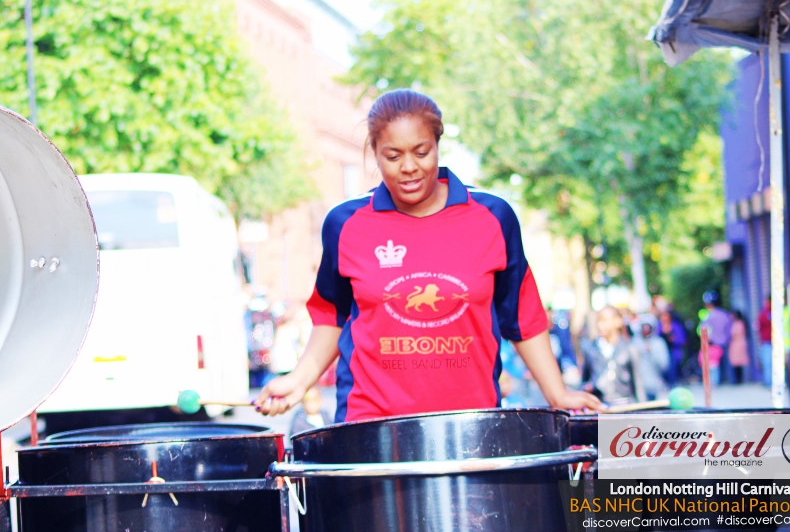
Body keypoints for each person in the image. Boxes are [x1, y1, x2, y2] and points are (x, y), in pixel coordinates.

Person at [256, 90, 602, 420]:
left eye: (421, 152)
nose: (408, 166)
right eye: (392, 156)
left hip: (472, 423)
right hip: (370, 426)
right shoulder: (345, 224)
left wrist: (558, 394)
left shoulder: (493, 217)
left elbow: (521, 317)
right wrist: (298, 382)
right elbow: (333, 317)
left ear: (438, 145)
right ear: (374, 152)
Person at [581, 306, 645, 405]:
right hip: (599, 408)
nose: (600, 325)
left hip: (623, 408)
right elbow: (584, 380)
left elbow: (638, 385)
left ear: (617, 321)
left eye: (604, 320)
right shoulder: (591, 349)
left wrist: (642, 411)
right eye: (598, 321)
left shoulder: (629, 349)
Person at [631, 315, 669, 400]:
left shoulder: (659, 343)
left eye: (648, 327)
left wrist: (651, 352)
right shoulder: (634, 342)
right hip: (638, 387)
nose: (646, 330)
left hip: (654, 386)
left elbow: (664, 365)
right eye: (643, 327)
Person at [701, 290, 732, 385]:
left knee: (714, 364)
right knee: (727, 363)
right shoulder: (725, 314)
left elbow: (703, 329)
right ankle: (731, 380)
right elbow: (729, 329)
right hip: (725, 342)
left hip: (714, 343)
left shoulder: (708, 316)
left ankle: (717, 382)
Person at [657, 306, 687, 386]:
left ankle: (673, 383)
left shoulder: (676, 326)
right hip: (662, 351)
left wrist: (673, 339)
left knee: (673, 367)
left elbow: (682, 339)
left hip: (674, 350)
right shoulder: (658, 327)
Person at [728, 311, 750, 384]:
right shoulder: (735, 323)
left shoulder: (739, 323)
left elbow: (735, 334)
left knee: (738, 362)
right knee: (736, 362)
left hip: (738, 343)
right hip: (736, 343)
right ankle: (737, 379)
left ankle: (738, 380)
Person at [757, 296, 772, 386]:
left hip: (776, 342)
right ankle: (768, 382)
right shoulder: (764, 313)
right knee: (767, 363)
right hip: (766, 342)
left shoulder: (778, 311)